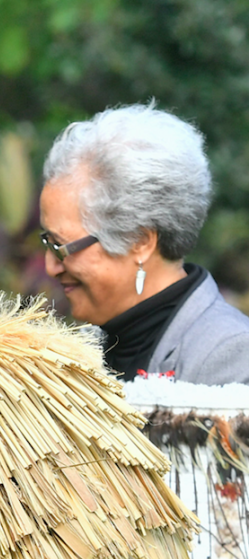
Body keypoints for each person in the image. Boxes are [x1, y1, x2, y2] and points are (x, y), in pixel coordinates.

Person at [39, 102, 249, 384]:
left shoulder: (229, 357)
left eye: (60, 246)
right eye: (47, 241)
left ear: (139, 242)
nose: (50, 266)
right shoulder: (84, 350)